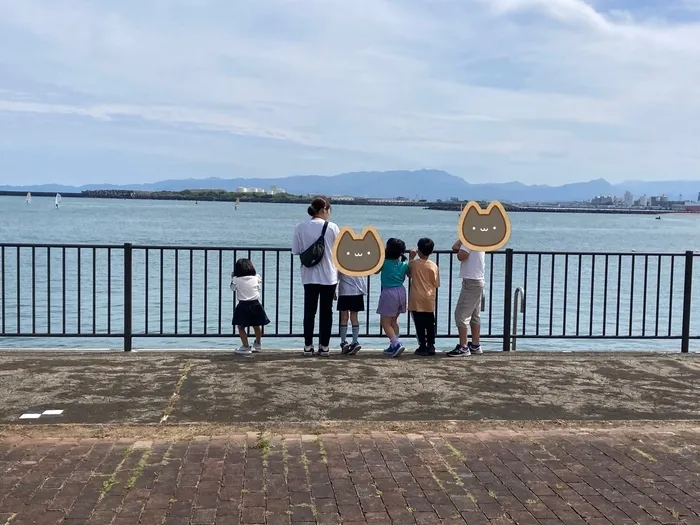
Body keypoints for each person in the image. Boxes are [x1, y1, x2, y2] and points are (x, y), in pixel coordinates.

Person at [291, 196, 340, 357]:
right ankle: (324, 346)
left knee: (309, 312)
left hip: (308, 275)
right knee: (327, 312)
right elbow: (339, 252)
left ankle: (307, 346)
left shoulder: (300, 227)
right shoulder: (332, 227)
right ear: (324, 209)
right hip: (329, 276)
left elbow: (296, 250)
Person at [448, 239, 485, 356]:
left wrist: (462, 242)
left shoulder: (469, 241)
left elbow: (461, 256)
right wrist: (461, 242)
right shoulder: (480, 240)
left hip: (471, 281)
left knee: (461, 314)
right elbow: (455, 247)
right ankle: (475, 345)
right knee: (474, 314)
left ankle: (463, 347)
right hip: (478, 279)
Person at [376, 238, 409, 357]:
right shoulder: (404, 264)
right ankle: (393, 345)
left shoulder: (384, 263)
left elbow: (375, 271)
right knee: (394, 321)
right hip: (401, 291)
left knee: (385, 323)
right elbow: (408, 275)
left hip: (389, 293)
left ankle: (396, 344)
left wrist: (380, 255)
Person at [230, 258, 270, 355]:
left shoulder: (236, 279)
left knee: (241, 327)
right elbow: (258, 286)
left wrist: (232, 278)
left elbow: (232, 288)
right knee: (256, 325)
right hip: (256, 304)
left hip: (243, 305)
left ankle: (246, 346)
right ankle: (258, 343)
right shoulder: (256, 277)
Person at [408, 238, 440, 356]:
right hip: (429, 297)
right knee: (430, 323)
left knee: (419, 323)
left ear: (419, 251)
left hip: (416, 297)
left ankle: (422, 346)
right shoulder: (433, 266)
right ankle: (431, 345)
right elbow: (436, 283)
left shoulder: (414, 263)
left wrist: (411, 257)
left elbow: (409, 274)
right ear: (431, 252)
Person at [336, 271, 367, 355]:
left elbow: (336, 276)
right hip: (357, 291)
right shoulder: (358, 263)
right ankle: (354, 341)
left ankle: (343, 342)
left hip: (344, 291)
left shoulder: (341, 262)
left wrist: (333, 291)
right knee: (354, 317)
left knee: (344, 318)